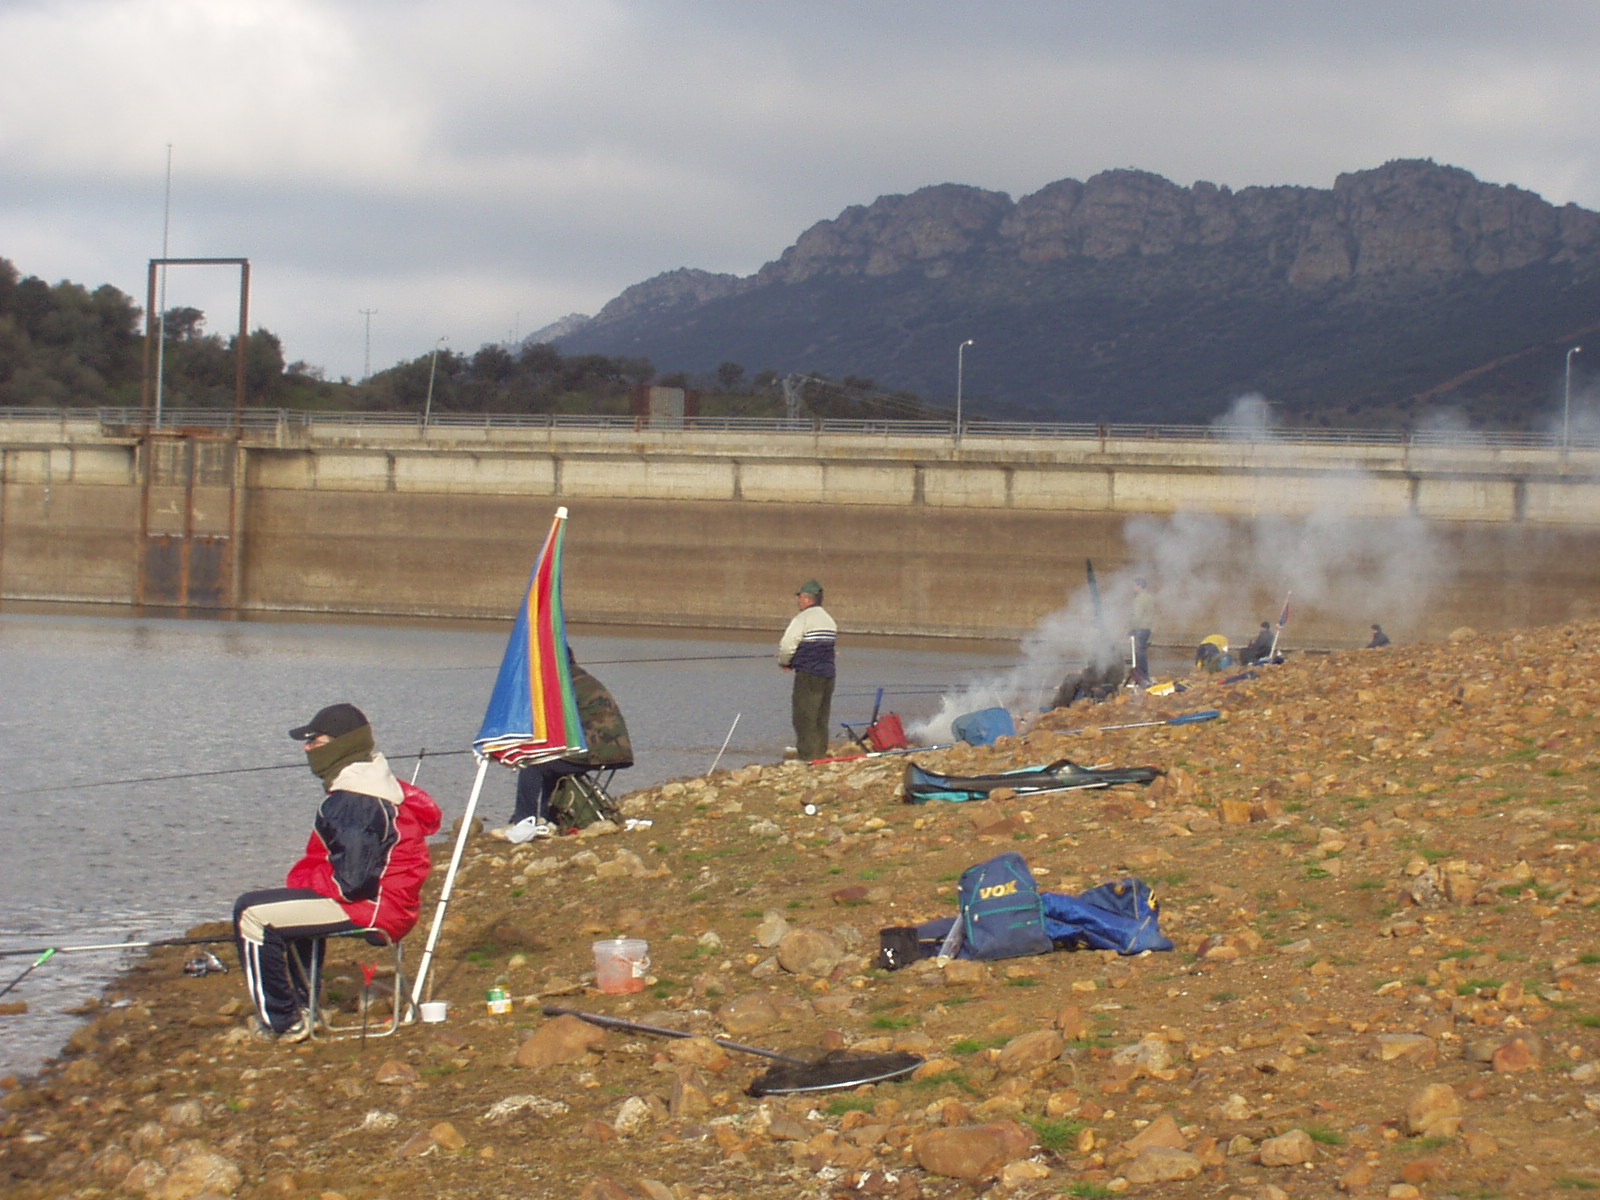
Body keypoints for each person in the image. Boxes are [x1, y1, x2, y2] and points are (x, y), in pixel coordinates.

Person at [233, 703, 441, 1043]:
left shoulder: (355, 798)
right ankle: (304, 1007)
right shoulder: (374, 783)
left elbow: (353, 882)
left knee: (250, 914)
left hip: (374, 908)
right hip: (389, 904)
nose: (307, 748)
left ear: (342, 745)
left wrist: (303, 880)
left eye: (316, 741)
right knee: (285, 906)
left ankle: (282, 1021)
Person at [494, 652, 634, 842]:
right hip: (615, 751)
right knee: (550, 764)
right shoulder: (579, 677)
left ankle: (522, 820)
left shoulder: (563, 684)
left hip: (597, 752)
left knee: (533, 765)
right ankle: (548, 818)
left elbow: (552, 725)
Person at [778, 579, 837, 762]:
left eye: (800, 597)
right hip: (828, 675)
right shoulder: (829, 620)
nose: (798, 600)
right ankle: (819, 755)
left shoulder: (803, 619)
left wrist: (785, 662)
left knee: (804, 715)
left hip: (808, 675)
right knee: (821, 716)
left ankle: (806, 757)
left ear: (807, 599)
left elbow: (788, 645)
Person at [1128, 577, 1155, 684]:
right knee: (1142, 652)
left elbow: (1137, 616)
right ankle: (1144, 676)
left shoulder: (1139, 599)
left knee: (1139, 653)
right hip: (1147, 628)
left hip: (1140, 628)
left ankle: (1143, 677)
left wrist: (1132, 628)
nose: (1133, 588)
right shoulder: (1149, 597)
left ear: (1139, 586)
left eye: (1135, 585)